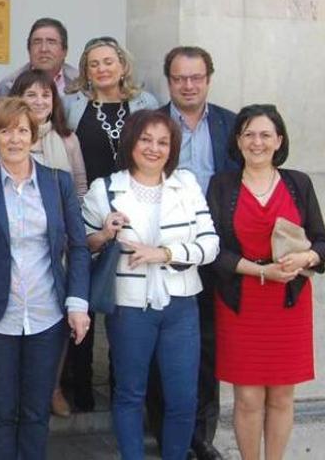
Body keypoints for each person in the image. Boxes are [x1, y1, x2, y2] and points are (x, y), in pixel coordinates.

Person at [0, 96, 91, 459]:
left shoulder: (57, 183)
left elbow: (78, 246)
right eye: (4, 131)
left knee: (35, 411)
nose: (13, 139)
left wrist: (77, 302)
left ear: (33, 136)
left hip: (47, 315)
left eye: (21, 131)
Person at [82, 109, 219, 460]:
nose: (154, 148)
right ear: (131, 142)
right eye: (146, 139)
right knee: (130, 393)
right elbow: (81, 245)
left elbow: (210, 246)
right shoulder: (106, 188)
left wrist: (163, 252)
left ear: (172, 148)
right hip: (129, 307)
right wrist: (104, 233)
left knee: (182, 397)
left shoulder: (185, 185)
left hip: (180, 304)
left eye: (163, 141)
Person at [207, 104, 324, 460]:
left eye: (265, 135)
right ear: (238, 141)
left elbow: (321, 241)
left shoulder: (297, 183)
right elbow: (213, 250)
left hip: (288, 302)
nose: (256, 142)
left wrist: (307, 258)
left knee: (281, 396)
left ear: (279, 140)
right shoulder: (222, 185)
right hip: (241, 302)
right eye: (249, 134)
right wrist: (259, 271)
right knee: (247, 398)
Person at [146, 45, 239, 460]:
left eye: (196, 77)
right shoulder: (151, 125)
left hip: (214, 255)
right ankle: (162, 432)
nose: (188, 85)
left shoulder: (231, 125)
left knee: (207, 349)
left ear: (208, 79)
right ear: (168, 81)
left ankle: (201, 436)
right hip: (163, 253)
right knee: (158, 350)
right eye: (180, 77)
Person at [63, 37, 158, 410]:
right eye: (93, 64)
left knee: (125, 303)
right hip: (87, 210)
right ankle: (80, 386)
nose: (101, 69)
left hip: (133, 211)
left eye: (108, 62)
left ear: (122, 65)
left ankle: (121, 384)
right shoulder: (72, 106)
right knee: (83, 295)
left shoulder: (145, 104)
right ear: (85, 71)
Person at [9, 68, 87, 196]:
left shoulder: (68, 139)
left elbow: (80, 189)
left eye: (45, 95)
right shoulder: (9, 138)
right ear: (18, 99)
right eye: (31, 95)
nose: (39, 102)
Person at [0, 17, 78, 98]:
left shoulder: (82, 86)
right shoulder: (8, 87)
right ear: (29, 50)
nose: (44, 49)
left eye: (51, 42)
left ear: (64, 51)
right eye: (37, 42)